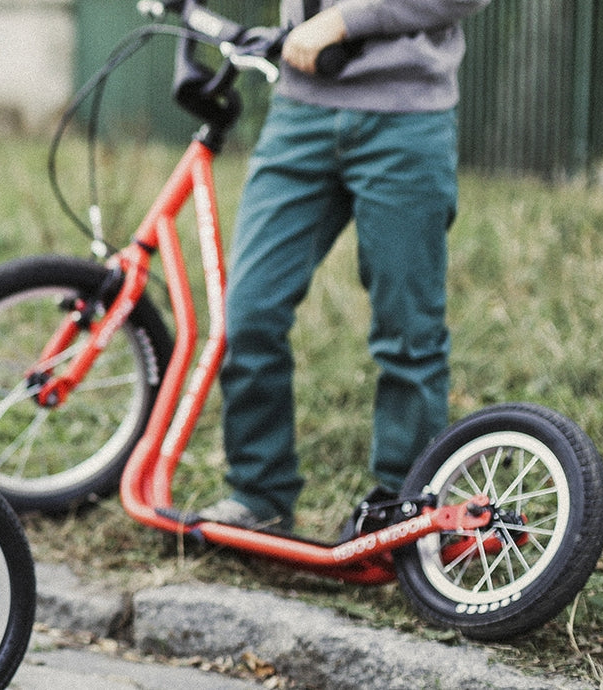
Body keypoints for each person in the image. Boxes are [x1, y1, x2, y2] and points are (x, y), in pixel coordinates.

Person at [206, 0, 489, 533]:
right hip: (299, 112)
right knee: (248, 312)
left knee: (408, 328)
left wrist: (344, 21)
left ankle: (402, 503)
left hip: (405, 120)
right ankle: (259, 494)